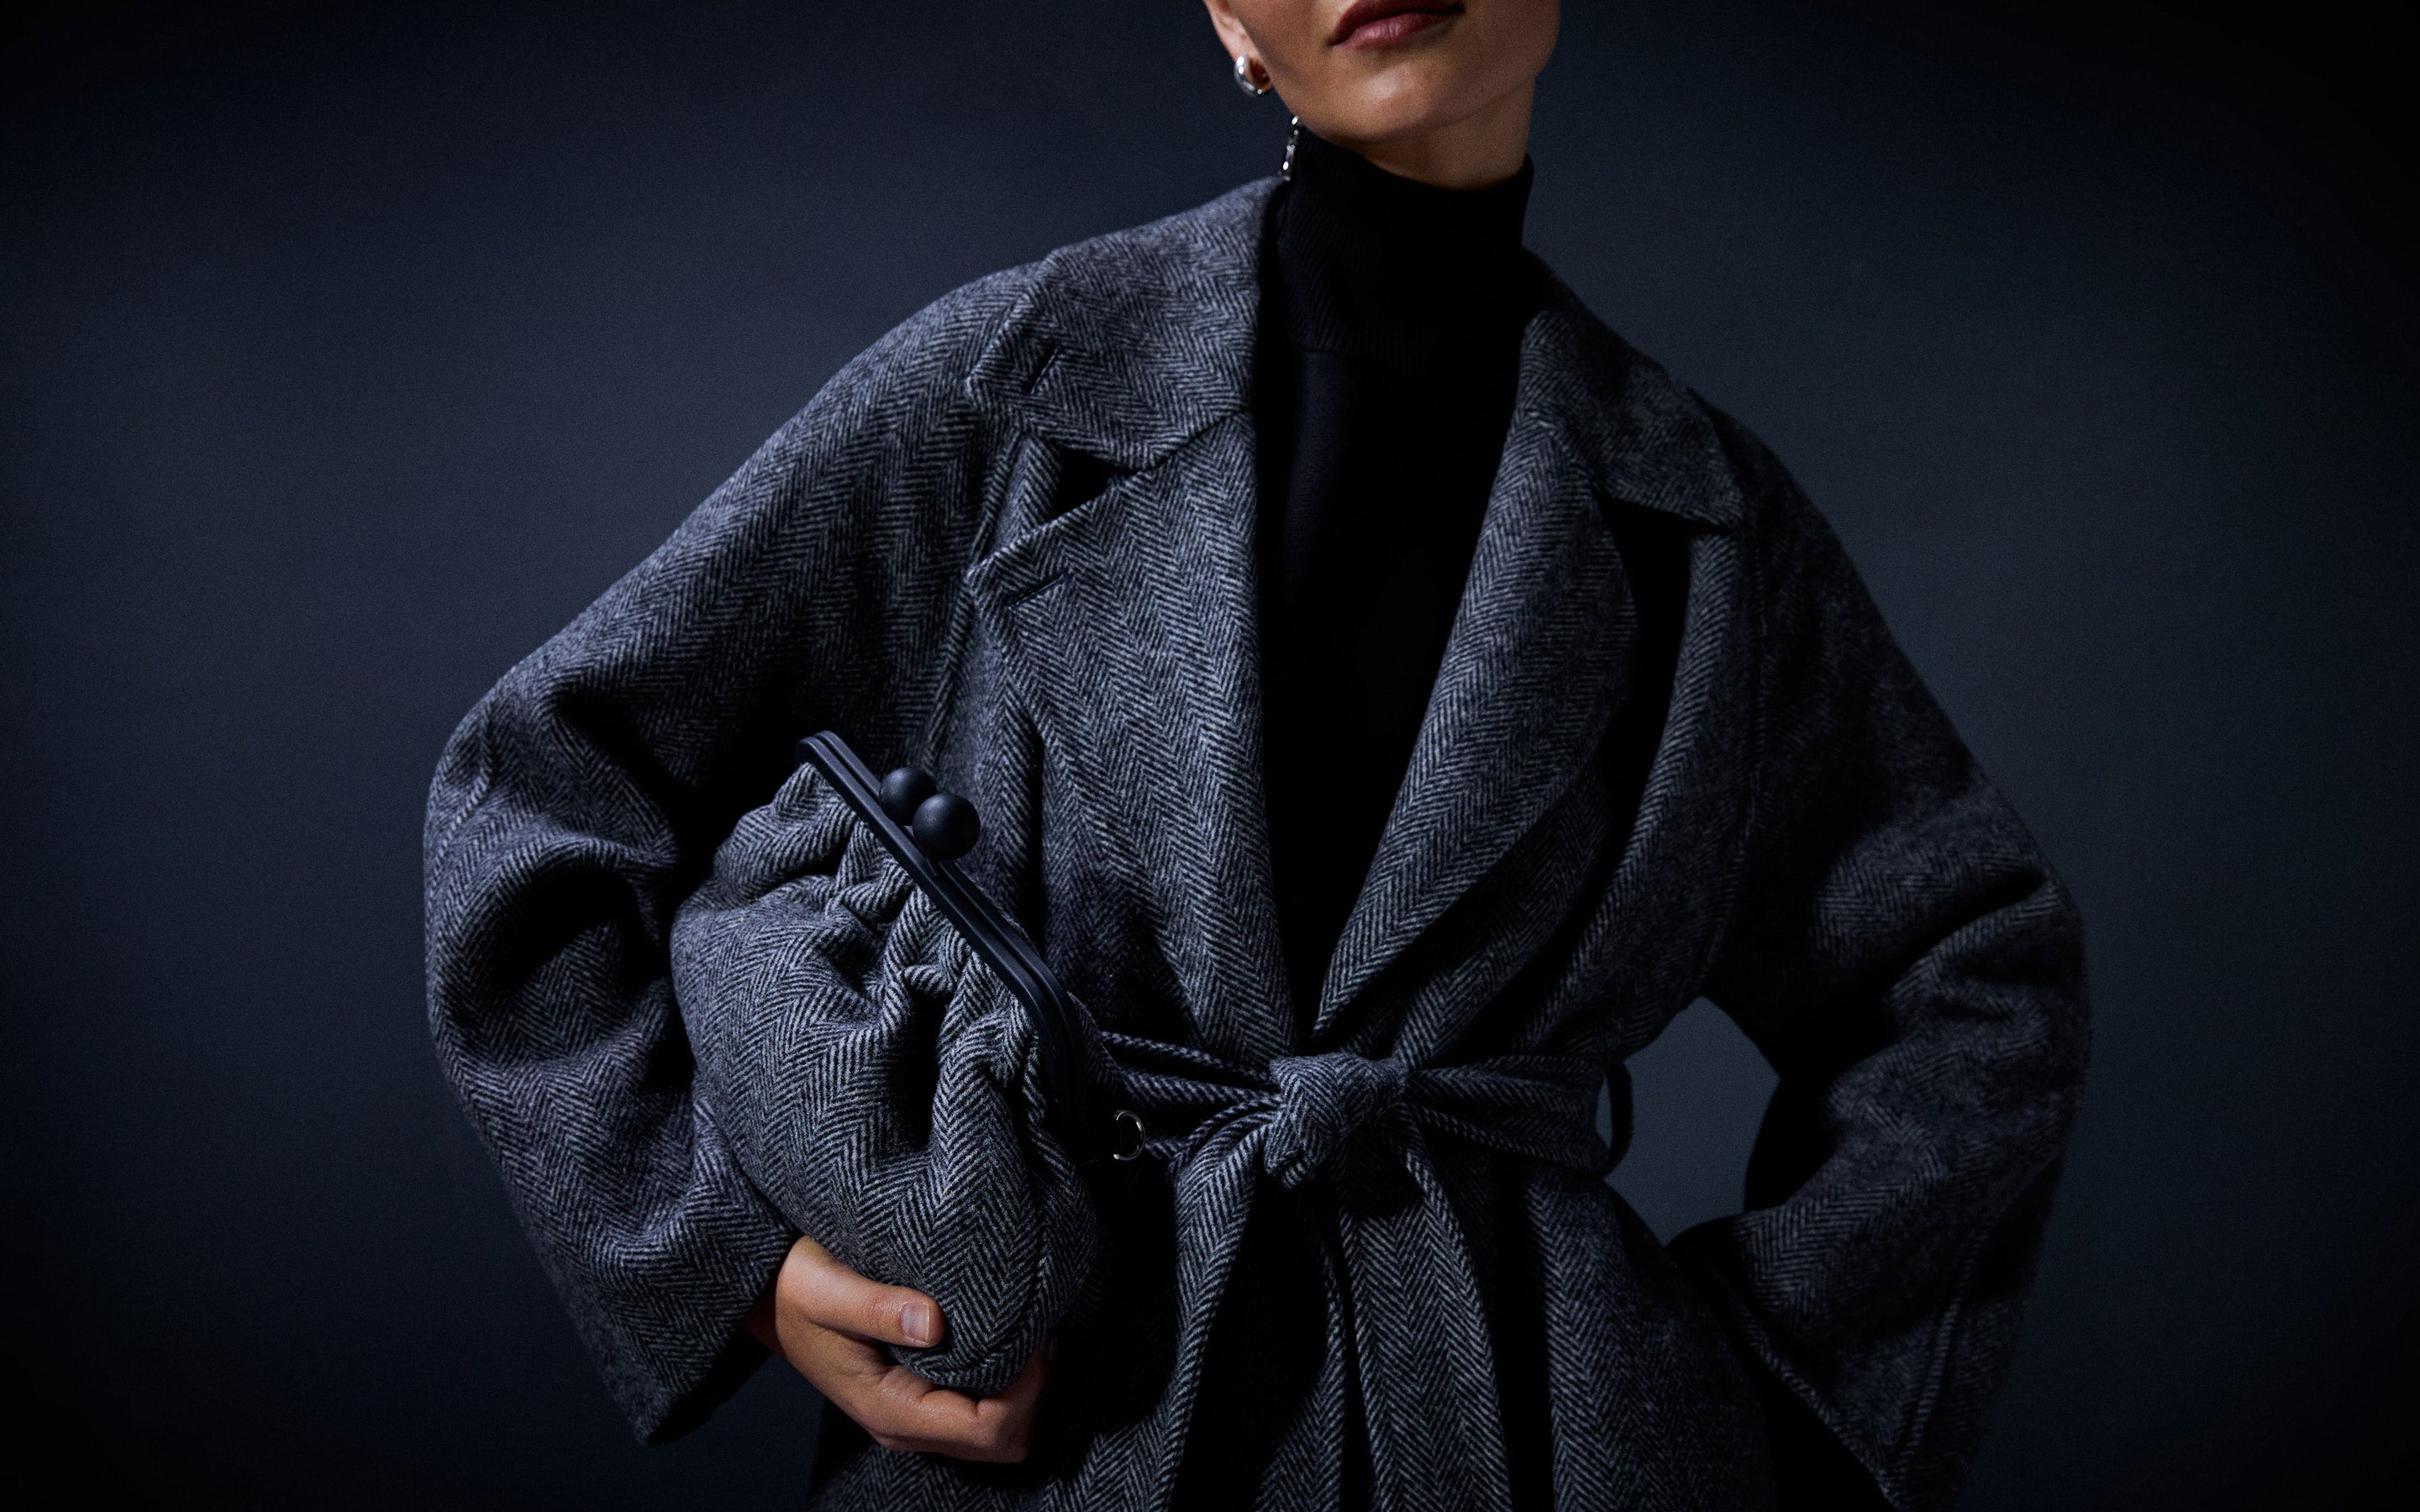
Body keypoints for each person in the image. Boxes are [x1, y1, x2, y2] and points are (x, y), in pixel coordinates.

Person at [423, 1, 2090, 1506]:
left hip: (1540, 1438)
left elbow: (1967, 963)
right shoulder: (1004, 390)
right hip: (1068, 1424)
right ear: (1227, 17)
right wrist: (743, 1258)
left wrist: (1749, 1402)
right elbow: (544, 791)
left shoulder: (1700, 513)